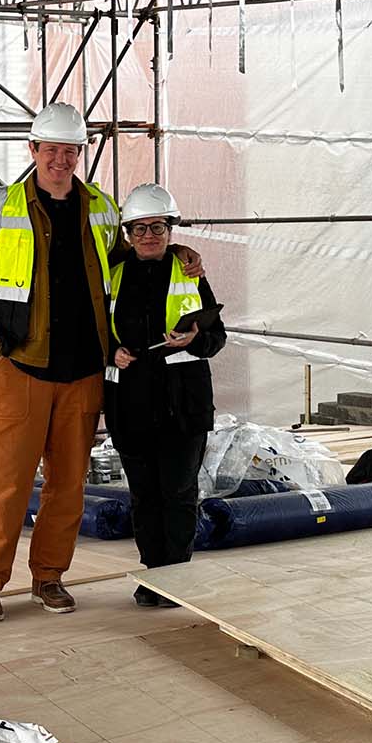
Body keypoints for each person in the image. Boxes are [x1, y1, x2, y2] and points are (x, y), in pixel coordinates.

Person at [0, 105, 199, 622]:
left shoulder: (103, 209)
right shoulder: (3, 207)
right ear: (33, 151)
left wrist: (177, 251)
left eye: (71, 151)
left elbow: (135, 260)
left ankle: (49, 577)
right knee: (4, 484)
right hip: (20, 368)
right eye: (52, 150)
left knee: (67, 487)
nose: (61, 160)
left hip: (84, 372)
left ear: (79, 154)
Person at [103, 183, 226, 609]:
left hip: (181, 407)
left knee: (178, 493)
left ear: (171, 230)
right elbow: (95, 335)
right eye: (139, 229)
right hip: (131, 405)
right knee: (143, 495)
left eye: (158, 226)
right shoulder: (113, 276)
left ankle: (177, 576)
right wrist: (110, 352)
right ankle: (152, 574)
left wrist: (194, 338)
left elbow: (216, 339)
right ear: (128, 233)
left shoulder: (189, 272)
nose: (149, 235)